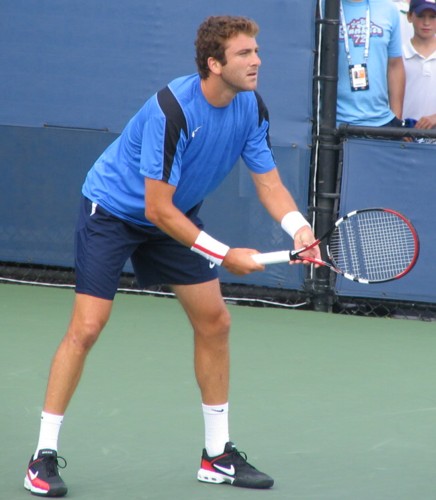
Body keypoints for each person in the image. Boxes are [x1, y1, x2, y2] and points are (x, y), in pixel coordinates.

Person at [23, 15, 320, 497]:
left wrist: (299, 228)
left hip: (173, 216)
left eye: (256, 52)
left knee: (215, 321)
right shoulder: (173, 111)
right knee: (88, 326)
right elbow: (155, 208)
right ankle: (42, 457)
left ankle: (217, 455)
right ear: (213, 63)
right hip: (115, 213)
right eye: (245, 54)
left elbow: (269, 183)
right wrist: (226, 254)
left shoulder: (250, 107)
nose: (257, 61)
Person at [336, 0, 406, 127]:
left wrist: (396, 118)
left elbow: (395, 64)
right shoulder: (323, 7)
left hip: (382, 122)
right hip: (335, 124)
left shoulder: (388, 8)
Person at [402, 0, 436, 133]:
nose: (426, 23)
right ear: (410, 17)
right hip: (405, 138)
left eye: (432, 17)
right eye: (421, 16)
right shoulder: (399, 56)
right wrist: (398, 127)